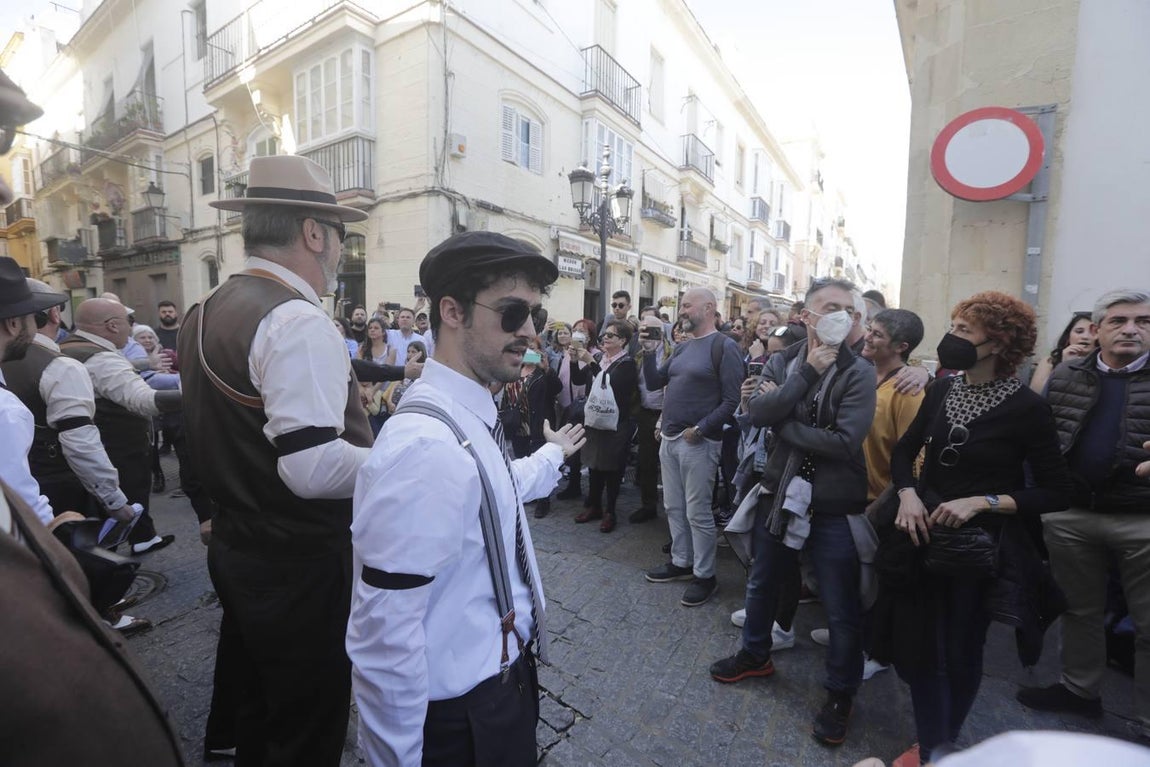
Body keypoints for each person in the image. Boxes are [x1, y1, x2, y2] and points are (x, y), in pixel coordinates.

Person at [0, 67, 185, 766]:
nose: (7, 191)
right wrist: (113, 504)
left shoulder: (52, 355)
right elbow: (87, 438)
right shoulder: (70, 363)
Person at [347, 231, 585, 766]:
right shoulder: (426, 449)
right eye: (512, 312)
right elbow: (384, 640)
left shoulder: (469, 415)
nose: (528, 332)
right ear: (451, 312)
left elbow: (493, 489)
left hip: (500, 689)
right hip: (461, 721)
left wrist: (551, 457)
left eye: (536, 317)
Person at [180, 154, 375, 765]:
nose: (341, 252)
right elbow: (312, 468)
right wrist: (399, 459)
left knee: (261, 711)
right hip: (298, 564)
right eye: (341, 236)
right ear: (314, 232)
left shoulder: (202, 310)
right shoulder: (295, 320)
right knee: (307, 725)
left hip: (239, 548)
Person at [877, 291, 1070, 764]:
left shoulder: (1028, 407)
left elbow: (1058, 491)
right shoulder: (943, 389)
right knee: (919, 651)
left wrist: (983, 502)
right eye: (955, 326)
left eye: (965, 330)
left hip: (977, 551)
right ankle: (930, 743)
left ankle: (942, 748)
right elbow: (904, 453)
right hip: (921, 537)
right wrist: (907, 493)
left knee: (961, 652)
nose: (952, 337)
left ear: (999, 343)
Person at [709, 278, 876, 747]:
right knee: (763, 581)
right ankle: (754, 654)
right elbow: (756, 411)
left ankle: (841, 693)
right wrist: (800, 381)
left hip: (833, 503)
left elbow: (845, 442)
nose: (841, 315)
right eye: (830, 307)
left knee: (840, 604)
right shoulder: (784, 360)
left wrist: (782, 422)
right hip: (779, 492)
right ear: (806, 315)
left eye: (848, 308)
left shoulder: (858, 372)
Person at [1017, 289, 1150, 741]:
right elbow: (1042, 435)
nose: (1132, 328)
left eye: (1143, 321)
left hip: (1142, 519)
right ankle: (1079, 691)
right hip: (1072, 514)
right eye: (1119, 321)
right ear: (1097, 330)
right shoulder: (1069, 372)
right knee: (1079, 609)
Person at [1, 279, 135, 524]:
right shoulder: (61, 367)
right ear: (53, 314)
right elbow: (80, 441)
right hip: (56, 495)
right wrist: (114, 500)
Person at [642, 287, 744, 607]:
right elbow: (655, 382)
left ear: (709, 308)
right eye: (682, 306)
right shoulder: (683, 348)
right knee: (673, 506)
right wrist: (648, 350)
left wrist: (701, 428)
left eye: (687, 306)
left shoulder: (724, 346)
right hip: (670, 440)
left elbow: (732, 400)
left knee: (698, 512)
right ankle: (681, 562)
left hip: (699, 442)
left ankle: (705, 575)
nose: (682, 311)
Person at [60, 298, 181, 554]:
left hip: (96, 450)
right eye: (128, 323)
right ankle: (112, 569)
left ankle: (138, 540)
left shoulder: (69, 347)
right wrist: (196, 394)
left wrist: (146, 363)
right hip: (119, 449)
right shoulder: (101, 358)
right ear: (113, 326)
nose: (131, 329)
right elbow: (144, 400)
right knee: (123, 506)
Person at [570, 319, 638, 532]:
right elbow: (579, 381)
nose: (605, 338)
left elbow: (610, 385)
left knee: (613, 468)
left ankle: (611, 511)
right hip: (595, 420)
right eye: (604, 335)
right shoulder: (600, 358)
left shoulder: (627, 363)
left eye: (611, 335)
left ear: (623, 340)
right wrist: (573, 361)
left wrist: (590, 361)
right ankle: (594, 506)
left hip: (616, 422)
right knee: (594, 463)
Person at [498, 340, 563, 519]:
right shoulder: (514, 369)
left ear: (539, 351)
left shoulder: (542, 373)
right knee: (522, 458)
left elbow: (557, 388)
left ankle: (544, 500)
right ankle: (530, 492)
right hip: (517, 423)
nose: (527, 352)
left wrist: (546, 368)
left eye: (532, 349)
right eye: (524, 349)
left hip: (536, 423)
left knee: (540, 459)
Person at [631, 314, 674, 523]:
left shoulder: (672, 354)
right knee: (646, 462)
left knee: (668, 465)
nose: (646, 333)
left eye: (652, 329)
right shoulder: (638, 353)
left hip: (667, 415)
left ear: (662, 332)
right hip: (645, 412)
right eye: (643, 329)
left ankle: (673, 511)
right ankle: (648, 506)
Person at [1028, 310, 1095, 394]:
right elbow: (1037, 393)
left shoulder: (1103, 364)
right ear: (1068, 336)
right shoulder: (1050, 362)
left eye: (1093, 332)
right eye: (1079, 331)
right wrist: (1065, 366)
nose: (1085, 337)